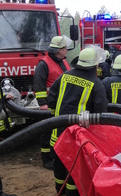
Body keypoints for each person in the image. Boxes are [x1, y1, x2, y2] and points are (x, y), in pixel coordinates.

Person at [47, 46, 108, 196]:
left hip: (57, 129)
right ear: (95, 65)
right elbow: (100, 111)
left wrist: (56, 114)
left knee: (58, 161)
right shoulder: (96, 83)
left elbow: (51, 97)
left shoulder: (64, 76)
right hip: (77, 134)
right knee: (74, 167)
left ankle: (58, 188)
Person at [33, 35, 71, 170]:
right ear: (59, 50)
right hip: (49, 105)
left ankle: (57, 155)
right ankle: (46, 159)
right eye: (65, 48)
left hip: (60, 103)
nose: (66, 50)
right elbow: (39, 85)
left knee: (58, 131)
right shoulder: (44, 63)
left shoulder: (64, 61)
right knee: (47, 132)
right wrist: (43, 104)